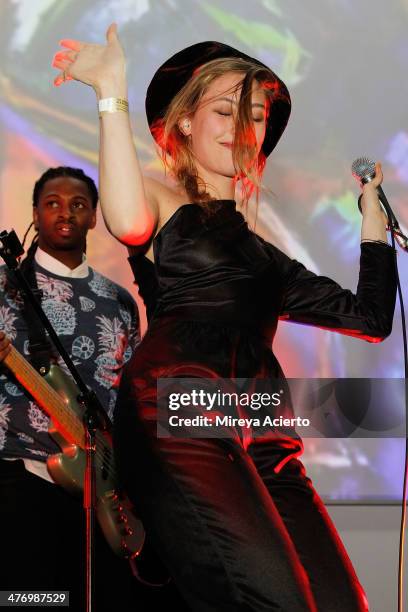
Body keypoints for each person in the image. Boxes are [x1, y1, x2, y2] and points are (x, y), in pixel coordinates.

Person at [52, 26, 397, 611]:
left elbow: (369, 317)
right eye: (225, 109)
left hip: (264, 429)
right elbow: (128, 219)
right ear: (185, 122)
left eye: (256, 114)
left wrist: (372, 224)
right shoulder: (165, 202)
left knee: (343, 603)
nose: (243, 126)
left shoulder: (267, 260)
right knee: (273, 599)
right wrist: (111, 94)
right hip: (182, 404)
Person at [0, 166, 187, 611]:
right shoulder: (6, 289)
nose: (65, 213)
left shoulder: (119, 300)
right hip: (23, 480)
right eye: (52, 204)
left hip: (103, 490)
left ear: (94, 217)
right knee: (31, 600)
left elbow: (128, 396)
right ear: (34, 214)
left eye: (78, 204)